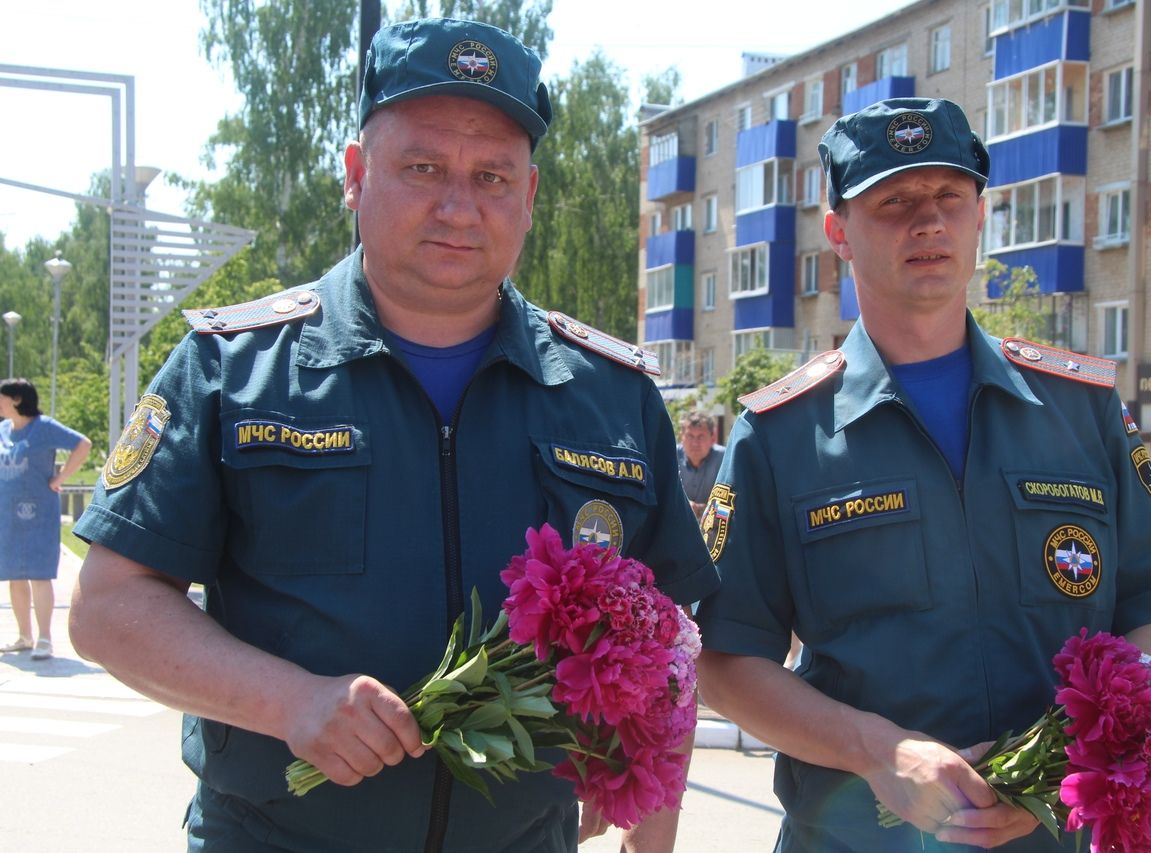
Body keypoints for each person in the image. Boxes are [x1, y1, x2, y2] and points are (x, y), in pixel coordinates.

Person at [68, 17, 717, 853]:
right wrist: (289, 700)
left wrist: (650, 834)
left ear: (528, 196)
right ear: (354, 175)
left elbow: (670, 635)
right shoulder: (233, 370)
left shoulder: (611, 394)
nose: (458, 205)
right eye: (422, 167)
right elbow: (109, 607)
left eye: (492, 175)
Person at [693, 98, 1151, 852]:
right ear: (839, 231)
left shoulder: (1081, 409)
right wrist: (874, 748)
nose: (929, 222)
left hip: (1058, 833)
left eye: (950, 197)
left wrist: (1056, 767)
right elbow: (724, 660)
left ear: (981, 218)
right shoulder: (780, 433)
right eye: (895, 202)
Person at [0, 378, 91, 661]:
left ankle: (44, 638)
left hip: (38, 512)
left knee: (39, 575)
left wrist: (61, 477)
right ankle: (24, 636)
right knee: (14, 575)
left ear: (16, 399)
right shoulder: (3, 429)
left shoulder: (45, 427)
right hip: (6, 514)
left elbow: (83, 444)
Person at [675, 410, 724, 517]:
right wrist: (682, 505)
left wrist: (704, 510)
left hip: (715, 525)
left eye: (701, 437)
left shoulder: (725, 459)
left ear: (713, 438)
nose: (695, 443)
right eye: (690, 436)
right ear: (681, 437)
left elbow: (735, 505)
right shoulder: (671, 457)